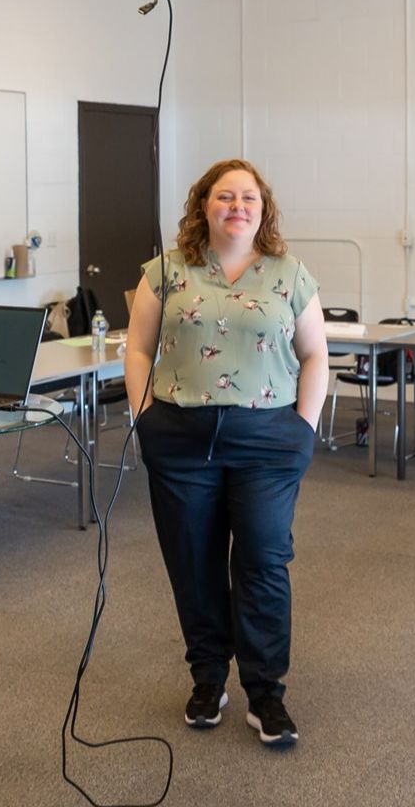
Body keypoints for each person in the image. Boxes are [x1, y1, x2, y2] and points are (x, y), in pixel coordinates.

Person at [126, 159, 328, 749]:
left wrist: (303, 430)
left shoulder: (289, 274)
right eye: (224, 196)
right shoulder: (165, 270)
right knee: (194, 560)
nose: (237, 206)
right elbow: (137, 347)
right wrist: (144, 416)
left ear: (263, 208)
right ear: (203, 206)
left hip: (267, 441)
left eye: (249, 198)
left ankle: (265, 693)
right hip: (180, 437)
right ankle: (208, 678)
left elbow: (315, 354)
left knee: (264, 560)